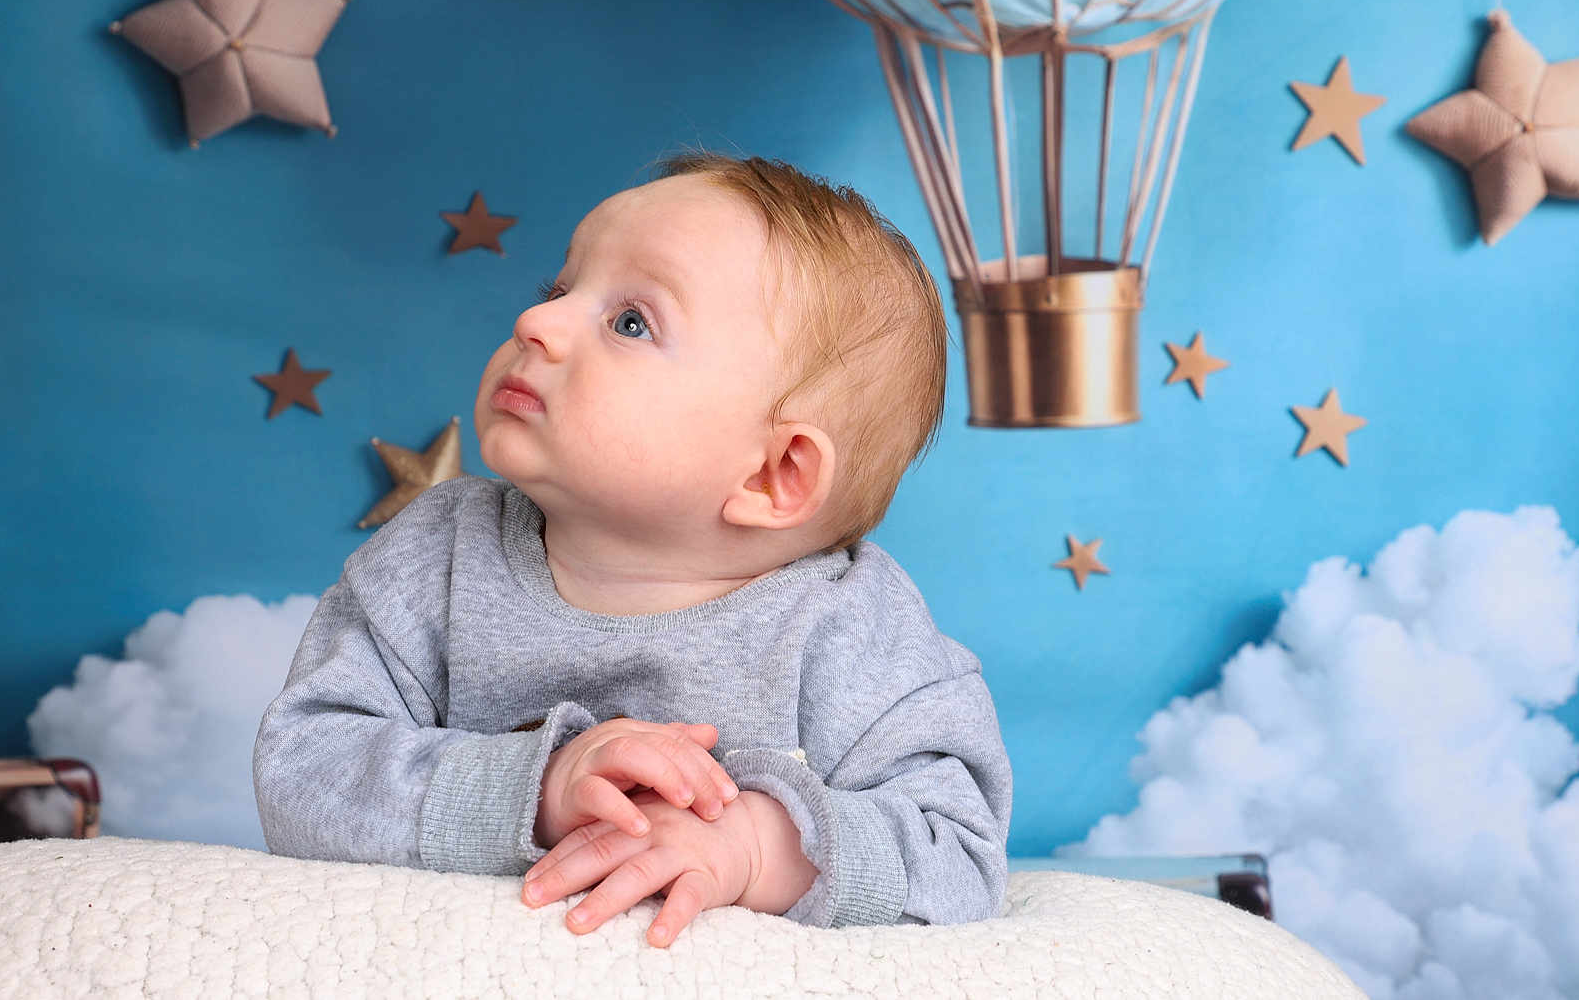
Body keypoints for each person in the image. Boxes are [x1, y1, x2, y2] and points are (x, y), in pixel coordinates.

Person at [252, 151, 1011, 948]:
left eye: (630, 322)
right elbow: (301, 770)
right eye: (558, 290)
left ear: (774, 473)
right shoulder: (437, 557)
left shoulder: (855, 629)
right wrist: (539, 789)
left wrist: (760, 844)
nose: (535, 323)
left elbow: (959, 857)